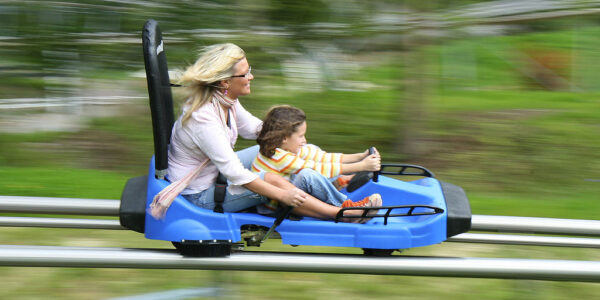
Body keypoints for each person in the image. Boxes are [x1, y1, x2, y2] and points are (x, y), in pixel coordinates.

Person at [167, 43, 376, 222]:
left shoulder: (225, 102)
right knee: (274, 181)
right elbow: (236, 174)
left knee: (282, 146)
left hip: (213, 172)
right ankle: (341, 212)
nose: (251, 76)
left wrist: (291, 136)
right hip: (198, 195)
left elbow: (259, 131)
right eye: (246, 73)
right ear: (225, 82)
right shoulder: (203, 120)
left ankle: (331, 178)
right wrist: (283, 194)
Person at [251, 105, 382, 211]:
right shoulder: (279, 157)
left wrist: (360, 156)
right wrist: (360, 166)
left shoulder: (284, 148)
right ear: (284, 138)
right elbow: (316, 169)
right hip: (276, 207)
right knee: (308, 175)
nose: (304, 140)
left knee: (311, 149)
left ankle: (337, 182)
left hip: (289, 194)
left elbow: (322, 157)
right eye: (301, 136)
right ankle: (345, 206)